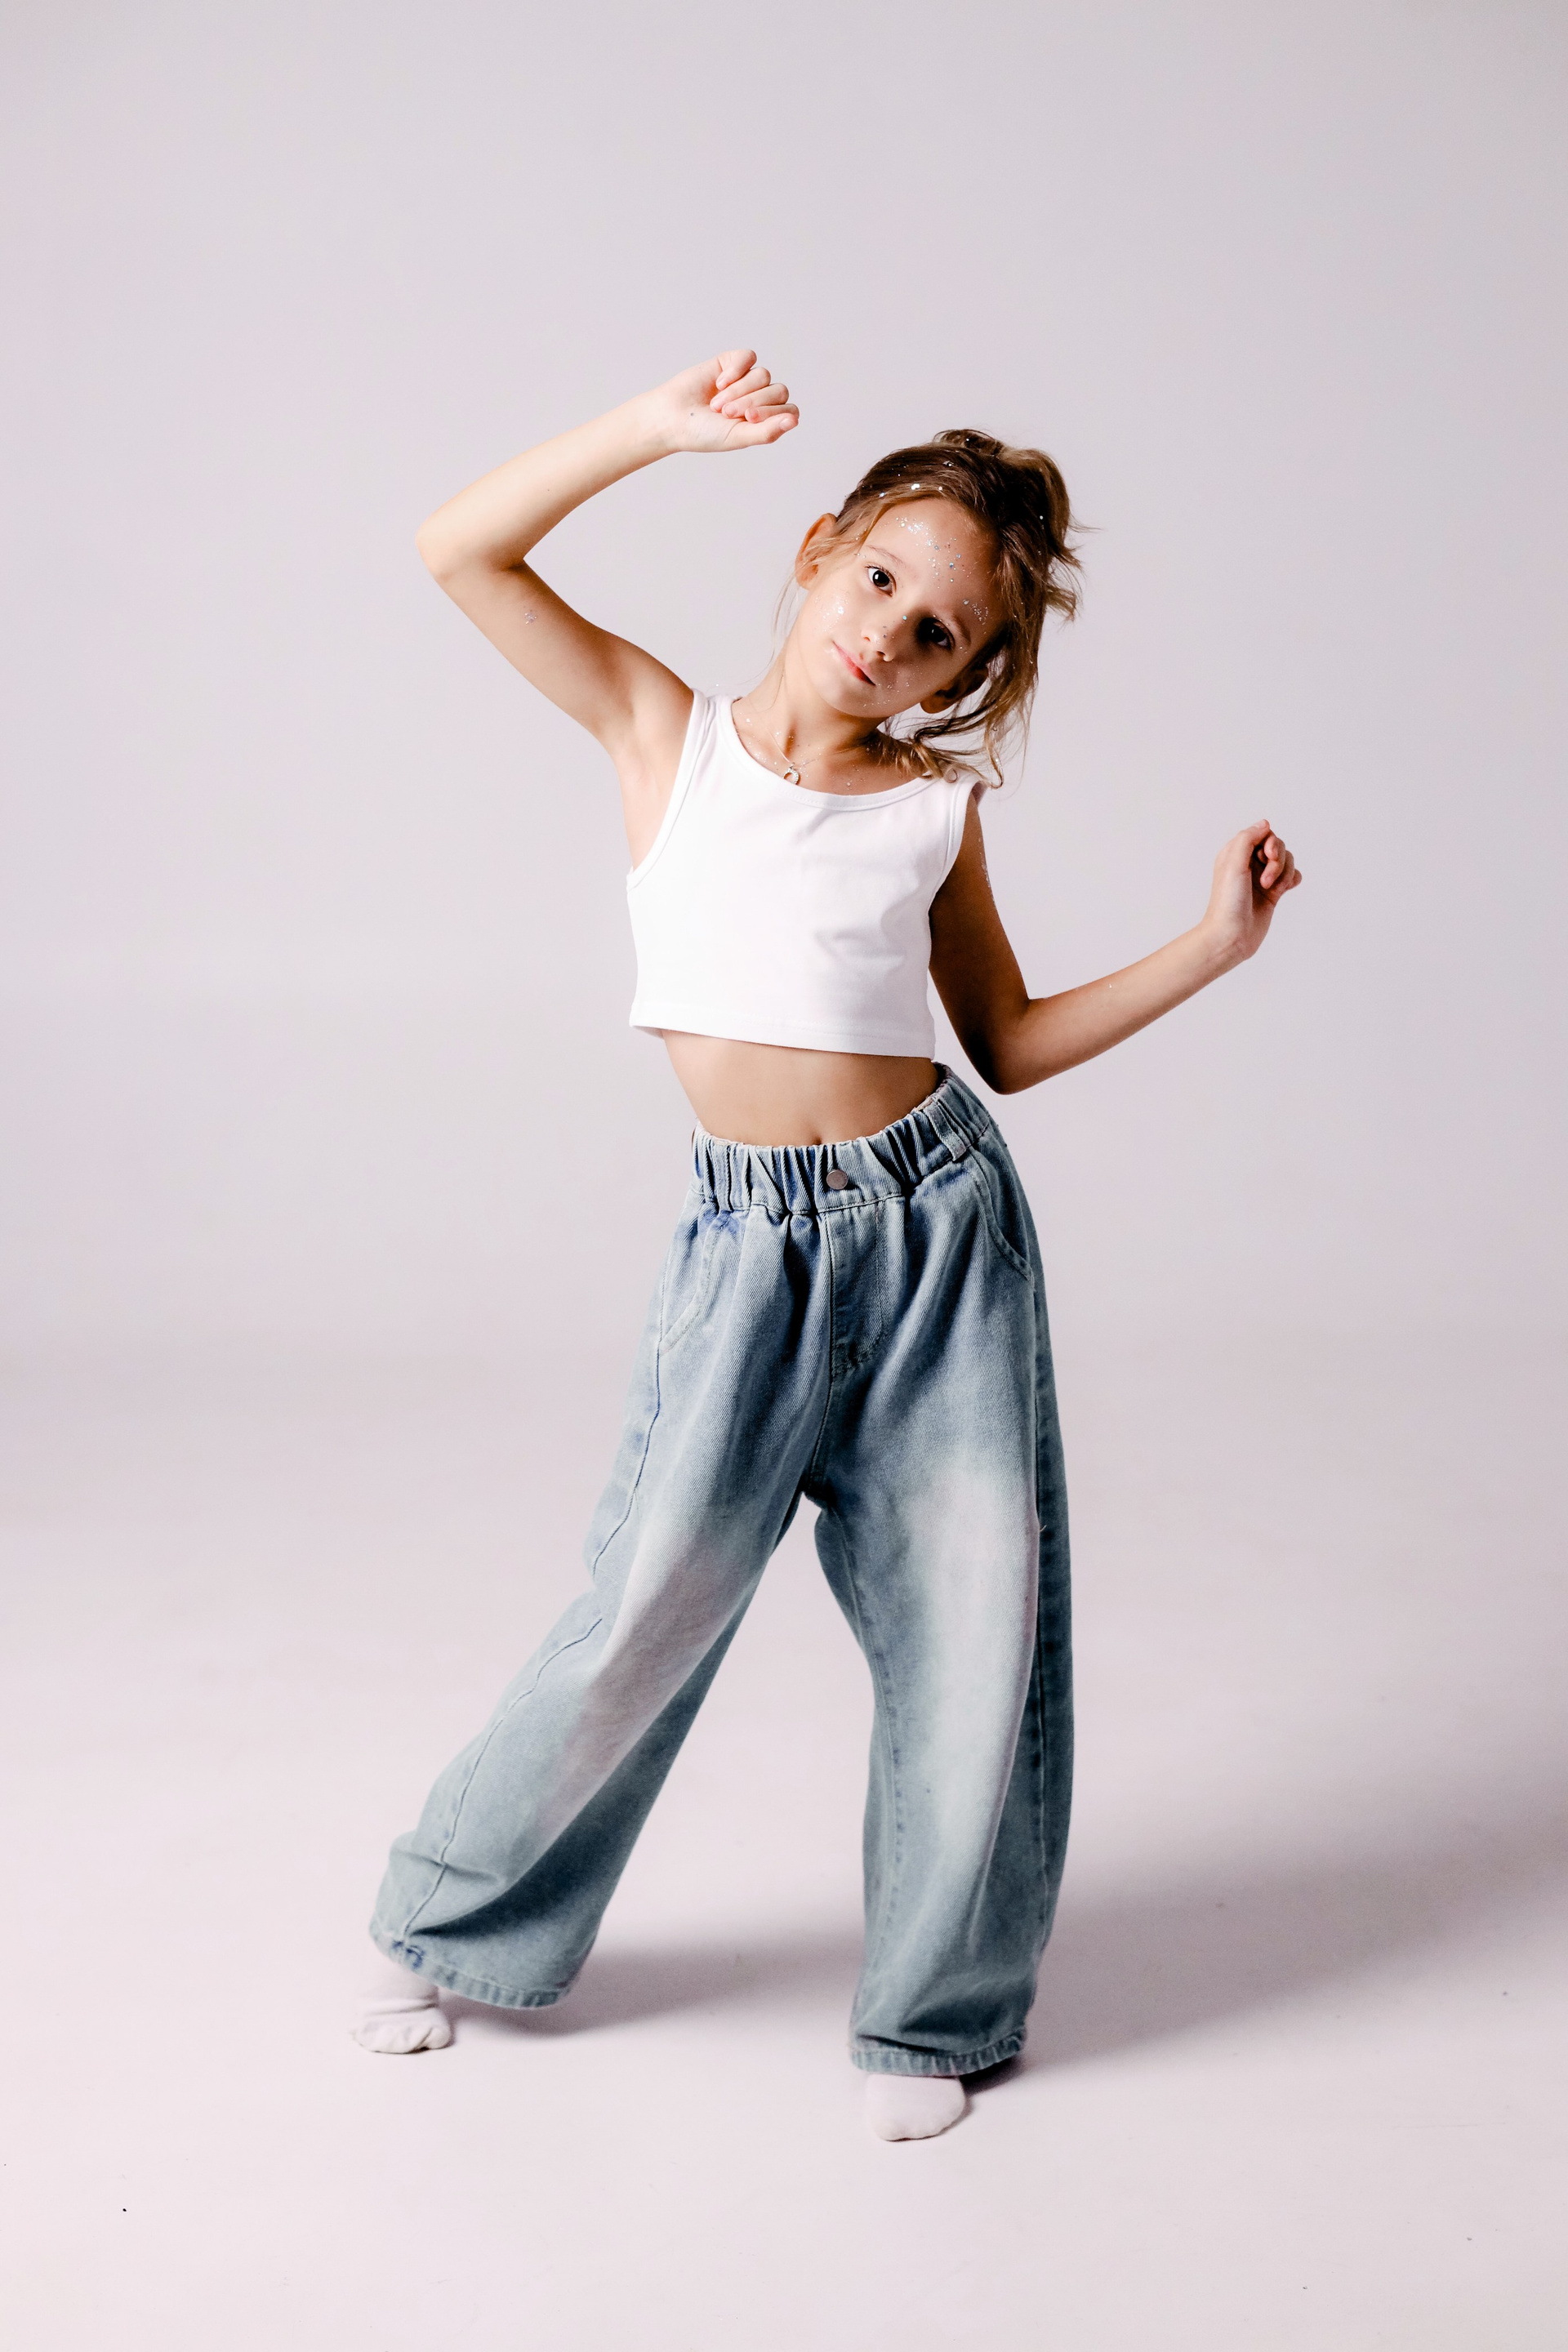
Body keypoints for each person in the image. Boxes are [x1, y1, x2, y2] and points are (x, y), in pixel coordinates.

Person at [352, 350, 1302, 2140]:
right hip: (749, 1252)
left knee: (970, 1621)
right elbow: (458, 550)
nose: (890, 637)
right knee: (650, 1596)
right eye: (879, 581)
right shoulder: (663, 734)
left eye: (942, 636)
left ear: (967, 677)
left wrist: (1209, 949)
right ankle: (455, 1925)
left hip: (939, 1237)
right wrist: (654, 430)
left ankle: (935, 2016)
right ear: (817, 549)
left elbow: (1005, 1043)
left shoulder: (934, 813)